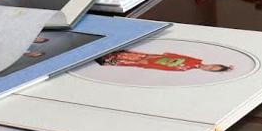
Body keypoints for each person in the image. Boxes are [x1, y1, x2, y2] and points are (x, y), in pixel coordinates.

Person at [97, 50, 233, 73]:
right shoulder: (196, 61)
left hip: (153, 62)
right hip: (155, 58)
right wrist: (157, 57)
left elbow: (165, 68)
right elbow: (179, 56)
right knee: (133, 56)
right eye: (213, 66)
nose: (209, 67)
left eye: (211, 70)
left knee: (129, 61)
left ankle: (107, 60)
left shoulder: (185, 69)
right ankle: (111, 55)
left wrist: (149, 65)